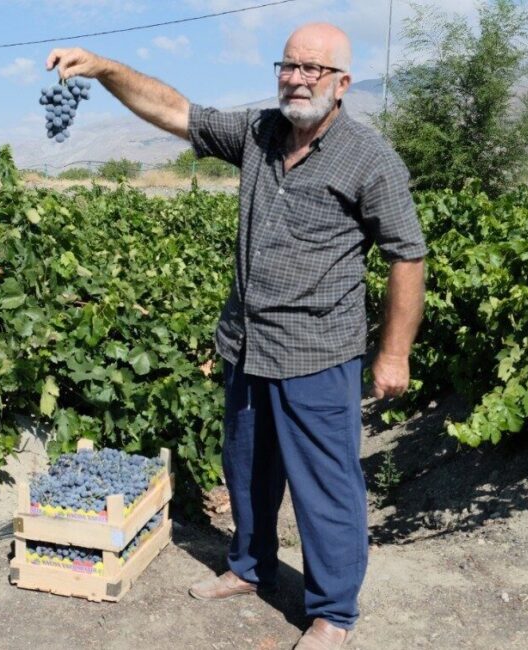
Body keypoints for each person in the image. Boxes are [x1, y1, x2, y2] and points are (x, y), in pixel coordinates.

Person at [47, 21, 426, 650]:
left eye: (313, 69)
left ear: (342, 83)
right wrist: (103, 67)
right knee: (247, 469)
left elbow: (406, 255)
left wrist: (393, 352)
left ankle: (333, 611)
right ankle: (250, 568)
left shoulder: (369, 158)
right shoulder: (258, 133)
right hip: (247, 344)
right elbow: (176, 111)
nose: (297, 78)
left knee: (326, 485)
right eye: (289, 65)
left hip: (318, 353)